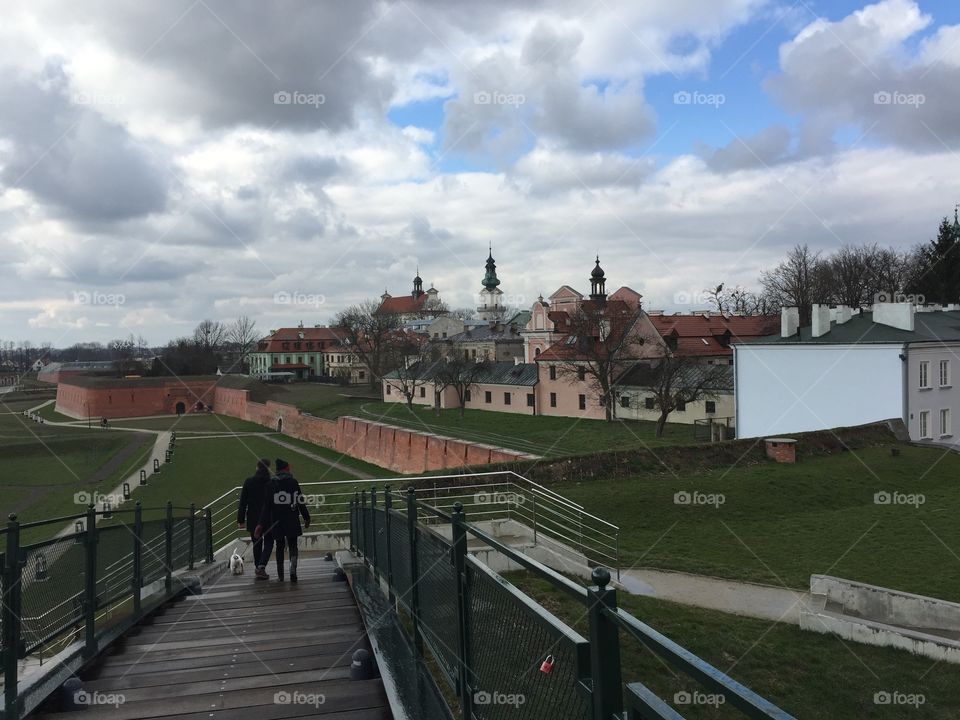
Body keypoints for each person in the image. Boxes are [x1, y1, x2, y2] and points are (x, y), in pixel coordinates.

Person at [255, 458, 310, 582]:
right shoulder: (293, 483)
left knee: (279, 547)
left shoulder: (270, 485)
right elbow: (300, 502)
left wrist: (260, 524)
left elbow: (266, 507)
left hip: (276, 521)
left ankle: (281, 576)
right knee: (293, 546)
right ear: (286, 469)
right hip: (292, 519)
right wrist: (307, 518)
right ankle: (293, 571)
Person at [237, 459, 272, 580]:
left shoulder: (249, 481)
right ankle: (261, 567)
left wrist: (240, 520)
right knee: (269, 542)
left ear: (257, 468)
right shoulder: (271, 482)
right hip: (269, 517)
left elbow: (243, 503)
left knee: (257, 544)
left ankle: (258, 567)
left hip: (253, 518)